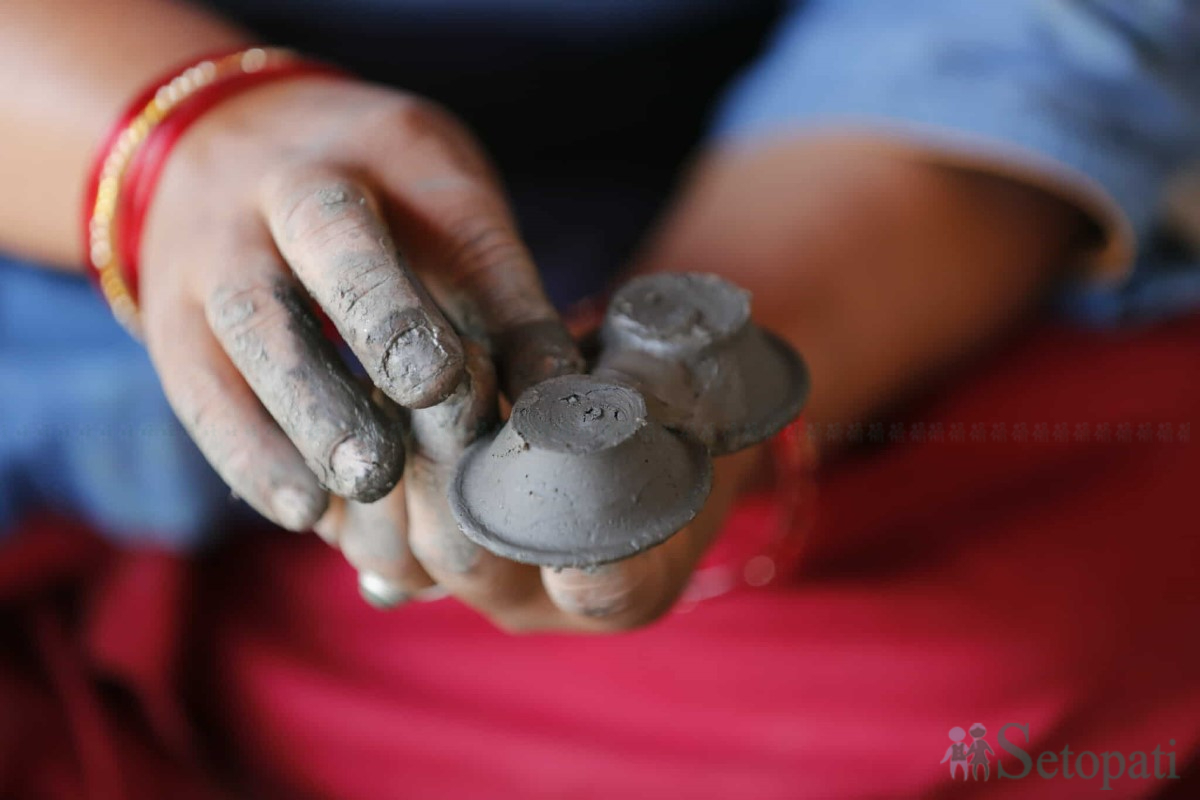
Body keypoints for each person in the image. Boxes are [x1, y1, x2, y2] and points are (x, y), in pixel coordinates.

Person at [1, 1, 1198, 797]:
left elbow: (1027, 28)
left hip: (743, 214)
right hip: (72, 229)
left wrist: (709, 387)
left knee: (1074, 600)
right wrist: (172, 144)